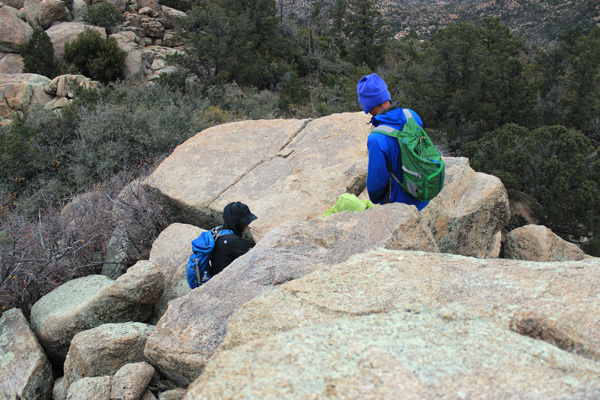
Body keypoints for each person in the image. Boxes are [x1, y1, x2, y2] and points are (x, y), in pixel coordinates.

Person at [357, 73, 430, 211]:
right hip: (424, 193)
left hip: (400, 206)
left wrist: (376, 199)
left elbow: (376, 185)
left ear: (367, 106)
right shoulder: (411, 115)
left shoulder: (377, 138)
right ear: (387, 95)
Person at [210, 201, 257, 277]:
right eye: (246, 222)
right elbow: (255, 259)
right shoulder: (234, 241)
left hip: (215, 276)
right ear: (239, 223)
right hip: (225, 280)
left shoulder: (219, 232)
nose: (247, 225)